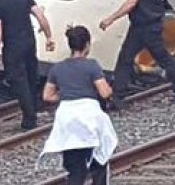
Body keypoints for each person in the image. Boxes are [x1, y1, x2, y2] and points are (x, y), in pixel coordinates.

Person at [40, 26, 117, 185]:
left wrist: (66, 94)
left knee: (75, 168)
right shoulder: (92, 65)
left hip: (67, 117)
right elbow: (104, 92)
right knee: (99, 159)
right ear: (87, 45)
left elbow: (47, 96)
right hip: (89, 116)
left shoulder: (57, 68)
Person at [0, 0, 55, 130]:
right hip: (29, 42)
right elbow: (40, 16)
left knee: (18, 80)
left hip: (13, 46)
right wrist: (48, 36)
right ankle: (34, 107)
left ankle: (29, 119)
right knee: (31, 75)